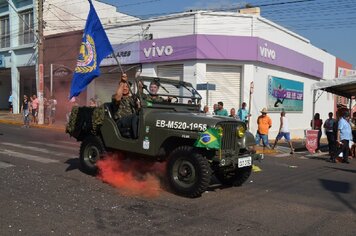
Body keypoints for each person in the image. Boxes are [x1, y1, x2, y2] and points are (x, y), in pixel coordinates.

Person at [112, 73, 139, 138]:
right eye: (123, 87)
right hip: (120, 121)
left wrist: (138, 105)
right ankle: (136, 138)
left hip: (131, 121)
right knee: (135, 117)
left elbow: (138, 110)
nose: (124, 88)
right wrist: (122, 82)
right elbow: (117, 98)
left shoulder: (132, 98)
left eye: (127, 87)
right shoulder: (115, 97)